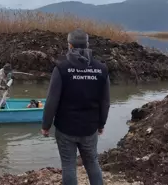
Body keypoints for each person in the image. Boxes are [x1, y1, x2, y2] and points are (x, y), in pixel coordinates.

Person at [41, 29, 110, 185]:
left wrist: (46, 125)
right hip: (90, 127)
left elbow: (52, 100)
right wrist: (101, 124)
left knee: (68, 166)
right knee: (92, 163)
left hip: (65, 128)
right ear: (87, 45)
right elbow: (105, 101)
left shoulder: (61, 68)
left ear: (70, 46)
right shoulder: (101, 69)